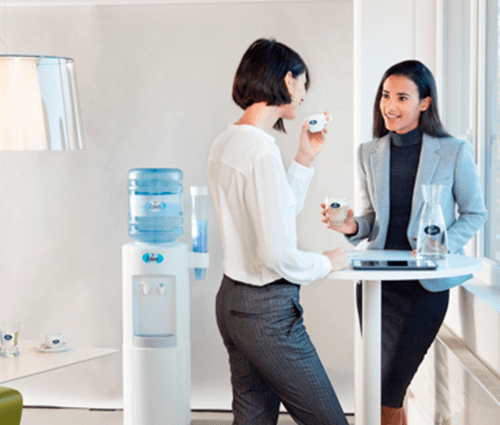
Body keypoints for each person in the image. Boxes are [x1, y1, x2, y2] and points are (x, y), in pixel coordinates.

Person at [322, 60, 488, 425]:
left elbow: (475, 214)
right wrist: (352, 227)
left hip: (425, 286)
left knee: (391, 386)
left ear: (425, 103)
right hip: (378, 285)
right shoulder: (369, 151)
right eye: (385, 95)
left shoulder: (455, 150)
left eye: (401, 97)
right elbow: (371, 220)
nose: (390, 106)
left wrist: (440, 246)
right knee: (382, 382)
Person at [208, 38, 349, 425]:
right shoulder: (261, 150)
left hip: (232, 302)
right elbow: (276, 255)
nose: (304, 93)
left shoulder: (227, 142)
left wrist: (304, 156)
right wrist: (325, 262)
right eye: (303, 83)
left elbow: (277, 212)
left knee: (253, 418)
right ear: (287, 81)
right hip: (266, 311)